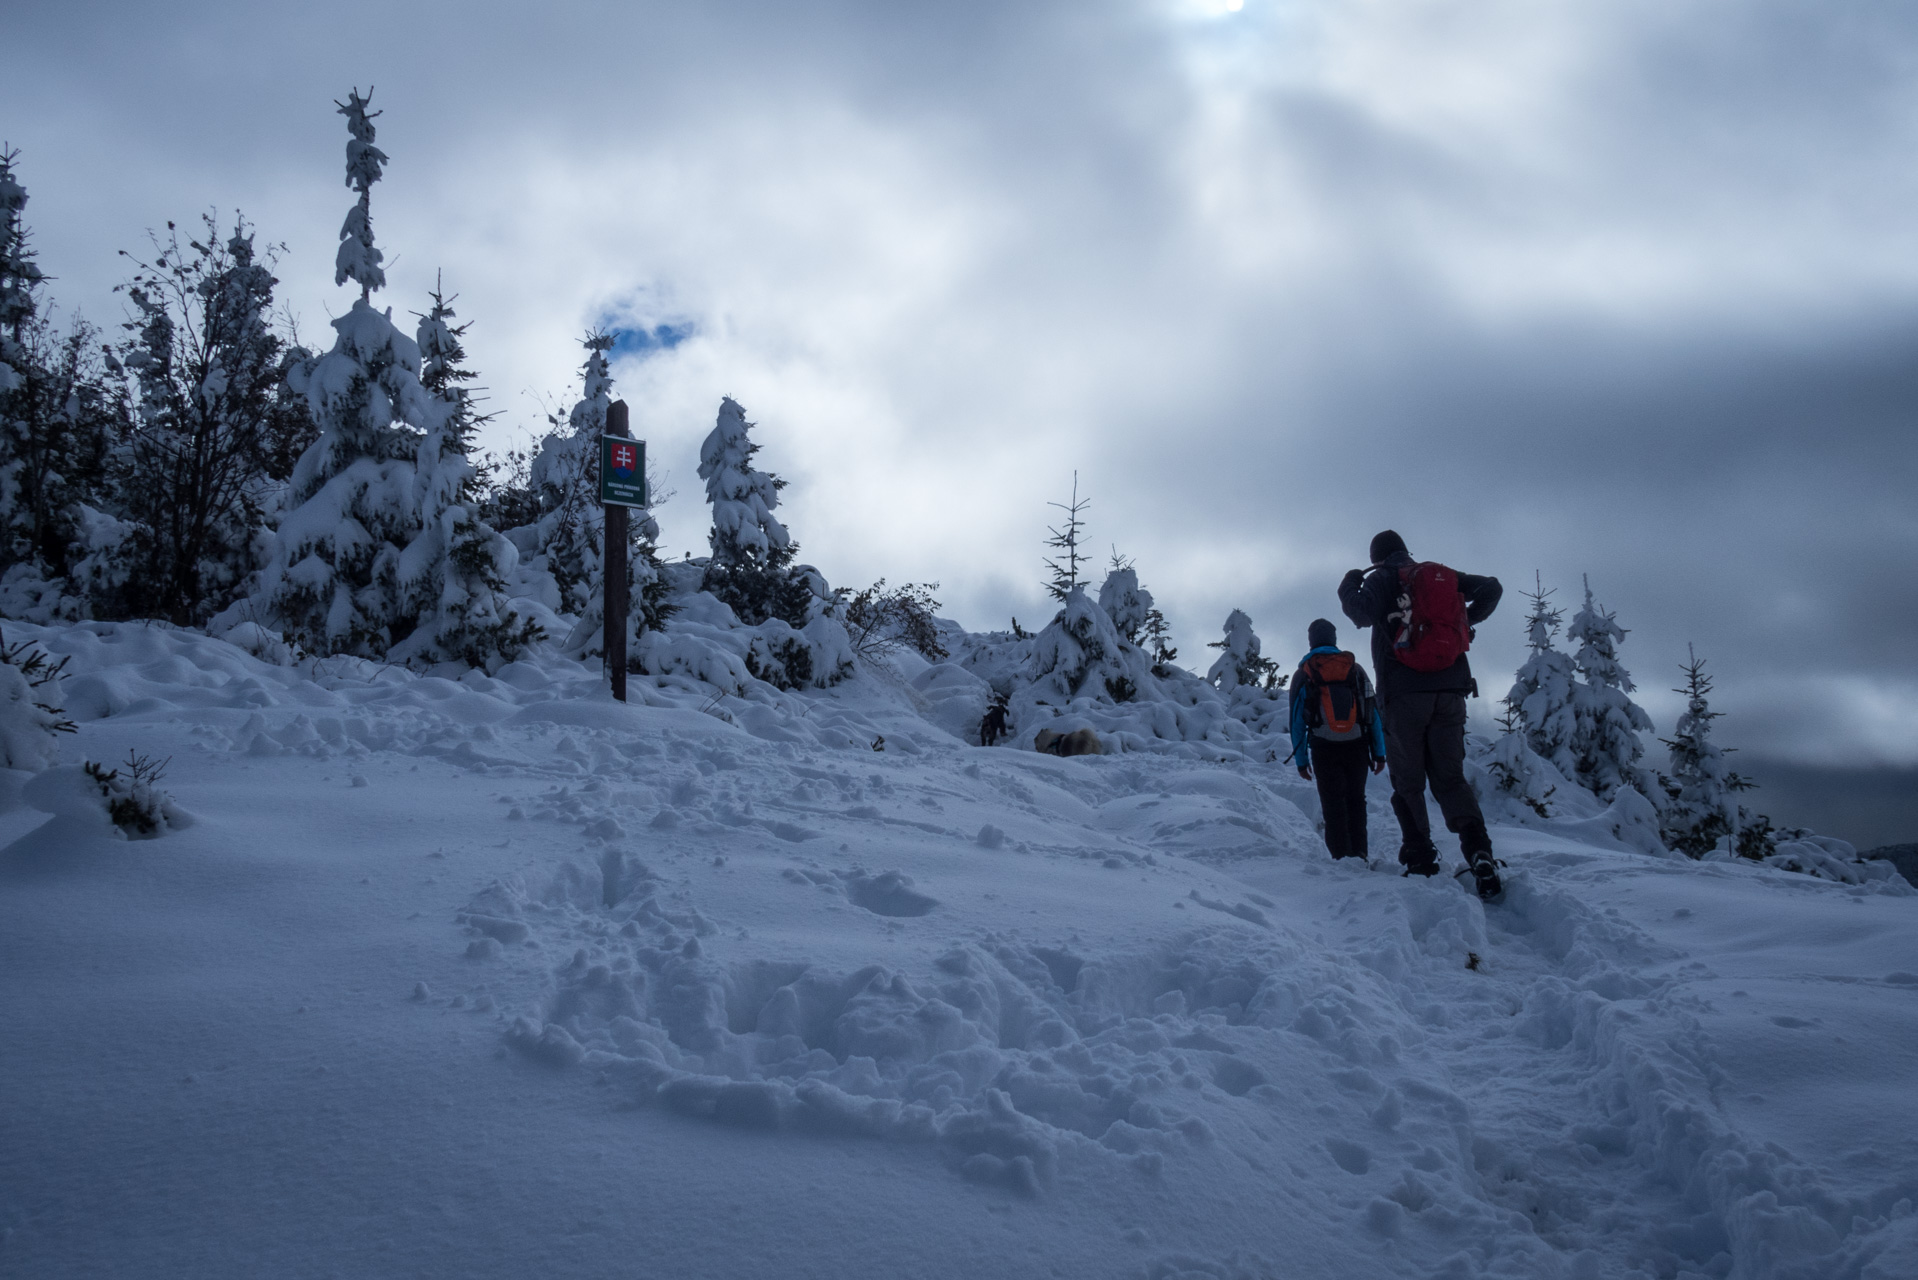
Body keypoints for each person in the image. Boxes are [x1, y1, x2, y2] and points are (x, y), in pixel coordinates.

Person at [1338, 530, 1504, 895]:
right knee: (1451, 778)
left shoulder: (1381, 579)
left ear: (1377, 558)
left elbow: (1360, 613)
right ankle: (1479, 851)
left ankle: (1420, 857)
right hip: (1450, 693)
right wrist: (1465, 624)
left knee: (1408, 781)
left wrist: (1349, 583)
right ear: (1405, 552)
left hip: (1403, 696)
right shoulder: (1442, 577)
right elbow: (1492, 588)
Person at [1288, 618, 1386, 862]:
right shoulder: (1354, 669)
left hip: (1324, 747)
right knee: (1356, 800)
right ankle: (1360, 853)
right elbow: (1372, 713)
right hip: (1357, 745)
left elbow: (1297, 723)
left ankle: (1341, 857)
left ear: (1311, 641)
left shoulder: (1305, 672)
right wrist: (1379, 753)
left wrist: (1301, 761)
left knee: (1332, 803)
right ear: (1334, 639)